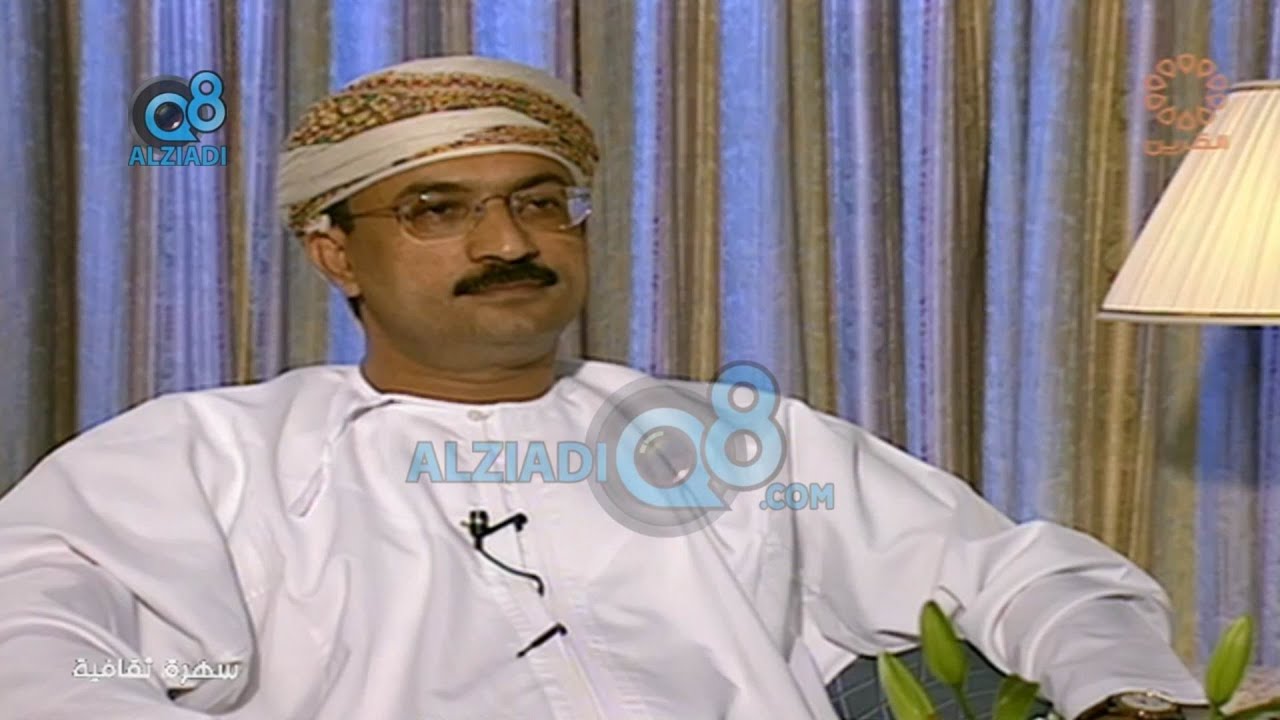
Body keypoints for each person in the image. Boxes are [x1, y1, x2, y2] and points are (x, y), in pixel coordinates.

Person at [0, 55, 1208, 720]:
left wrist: (1126, 698)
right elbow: (40, 642)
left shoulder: (732, 443)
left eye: (538, 202)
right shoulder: (200, 458)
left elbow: (1022, 575)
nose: (505, 243)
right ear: (334, 253)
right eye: (436, 210)